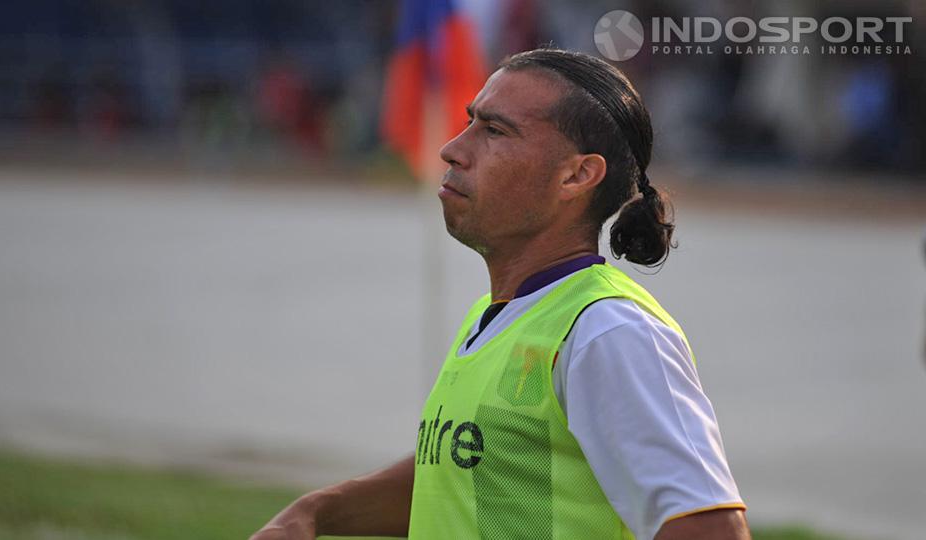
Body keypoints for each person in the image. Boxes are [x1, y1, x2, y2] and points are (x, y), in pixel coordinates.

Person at [251, 48, 750, 540]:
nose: (452, 148)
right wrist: (314, 513)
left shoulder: (608, 330)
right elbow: (464, 480)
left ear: (577, 175)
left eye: (494, 131)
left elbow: (709, 528)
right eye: (470, 122)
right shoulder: (499, 315)